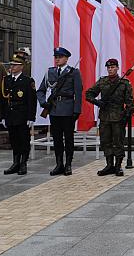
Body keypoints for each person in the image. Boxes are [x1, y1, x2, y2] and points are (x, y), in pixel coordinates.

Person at [36, 47, 82, 176]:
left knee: (68, 138)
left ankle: (68, 164)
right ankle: (59, 164)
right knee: (56, 139)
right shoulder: (50, 72)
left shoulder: (74, 72)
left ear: (66, 58)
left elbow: (78, 93)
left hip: (68, 110)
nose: (57, 59)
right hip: (54, 110)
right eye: (56, 57)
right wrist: (43, 102)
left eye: (60, 57)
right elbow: (40, 90)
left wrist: (77, 110)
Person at [86, 58, 134, 177]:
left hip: (118, 117)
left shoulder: (124, 83)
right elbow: (89, 94)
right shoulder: (102, 82)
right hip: (105, 116)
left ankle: (118, 166)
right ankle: (109, 165)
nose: (110, 69)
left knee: (118, 142)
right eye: (108, 68)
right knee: (105, 141)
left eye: (113, 67)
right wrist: (98, 103)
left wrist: (127, 115)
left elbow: (130, 102)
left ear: (117, 68)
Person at [0, 55, 37, 175]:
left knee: (23, 140)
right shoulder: (6, 80)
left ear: (21, 67)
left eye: (15, 65)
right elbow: (3, 100)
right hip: (10, 114)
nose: (12, 67)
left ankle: (23, 163)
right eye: (11, 65)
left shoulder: (27, 81)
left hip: (22, 114)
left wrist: (31, 117)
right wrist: (3, 116)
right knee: (14, 140)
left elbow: (31, 100)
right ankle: (15, 163)